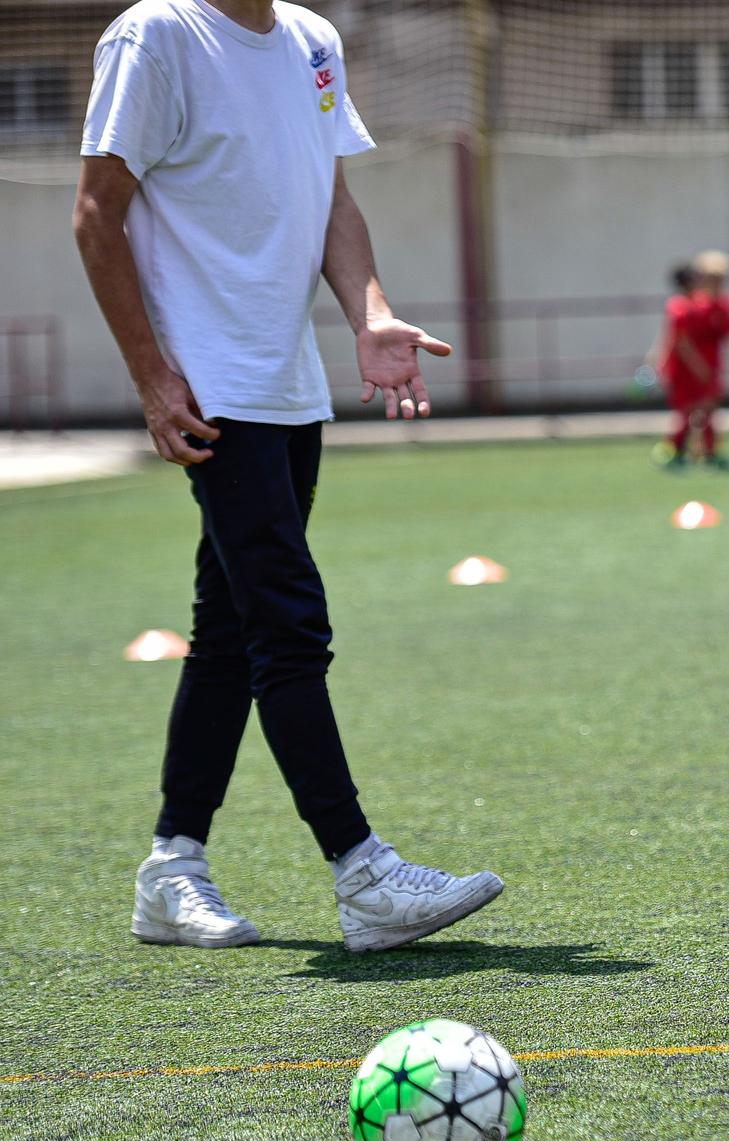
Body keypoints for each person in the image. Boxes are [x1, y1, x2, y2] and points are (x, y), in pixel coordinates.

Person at [73, 0, 502, 951]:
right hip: (211, 384)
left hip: (285, 382)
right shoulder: (159, 35)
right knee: (285, 620)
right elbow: (97, 213)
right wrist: (153, 377)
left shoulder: (313, 38)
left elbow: (331, 201)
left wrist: (370, 312)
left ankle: (171, 868)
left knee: (228, 632)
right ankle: (362, 872)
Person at [651, 261, 706, 471]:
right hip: (682, 369)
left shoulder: (691, 303)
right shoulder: (680, 306)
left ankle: (685, 452)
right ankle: (670, 451)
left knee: (694, 411)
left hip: (686, 368)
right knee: (685, 412)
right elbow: (681, 343)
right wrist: (699, 366)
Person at [688, 249, 729, 469]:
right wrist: (697, 365)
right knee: (694, 409)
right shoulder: (695, 304)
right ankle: (693, 449)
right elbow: (686, 338)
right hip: (693, 363)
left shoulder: (724, 304)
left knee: (710, 408)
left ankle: (708, 449)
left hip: (713, 361)